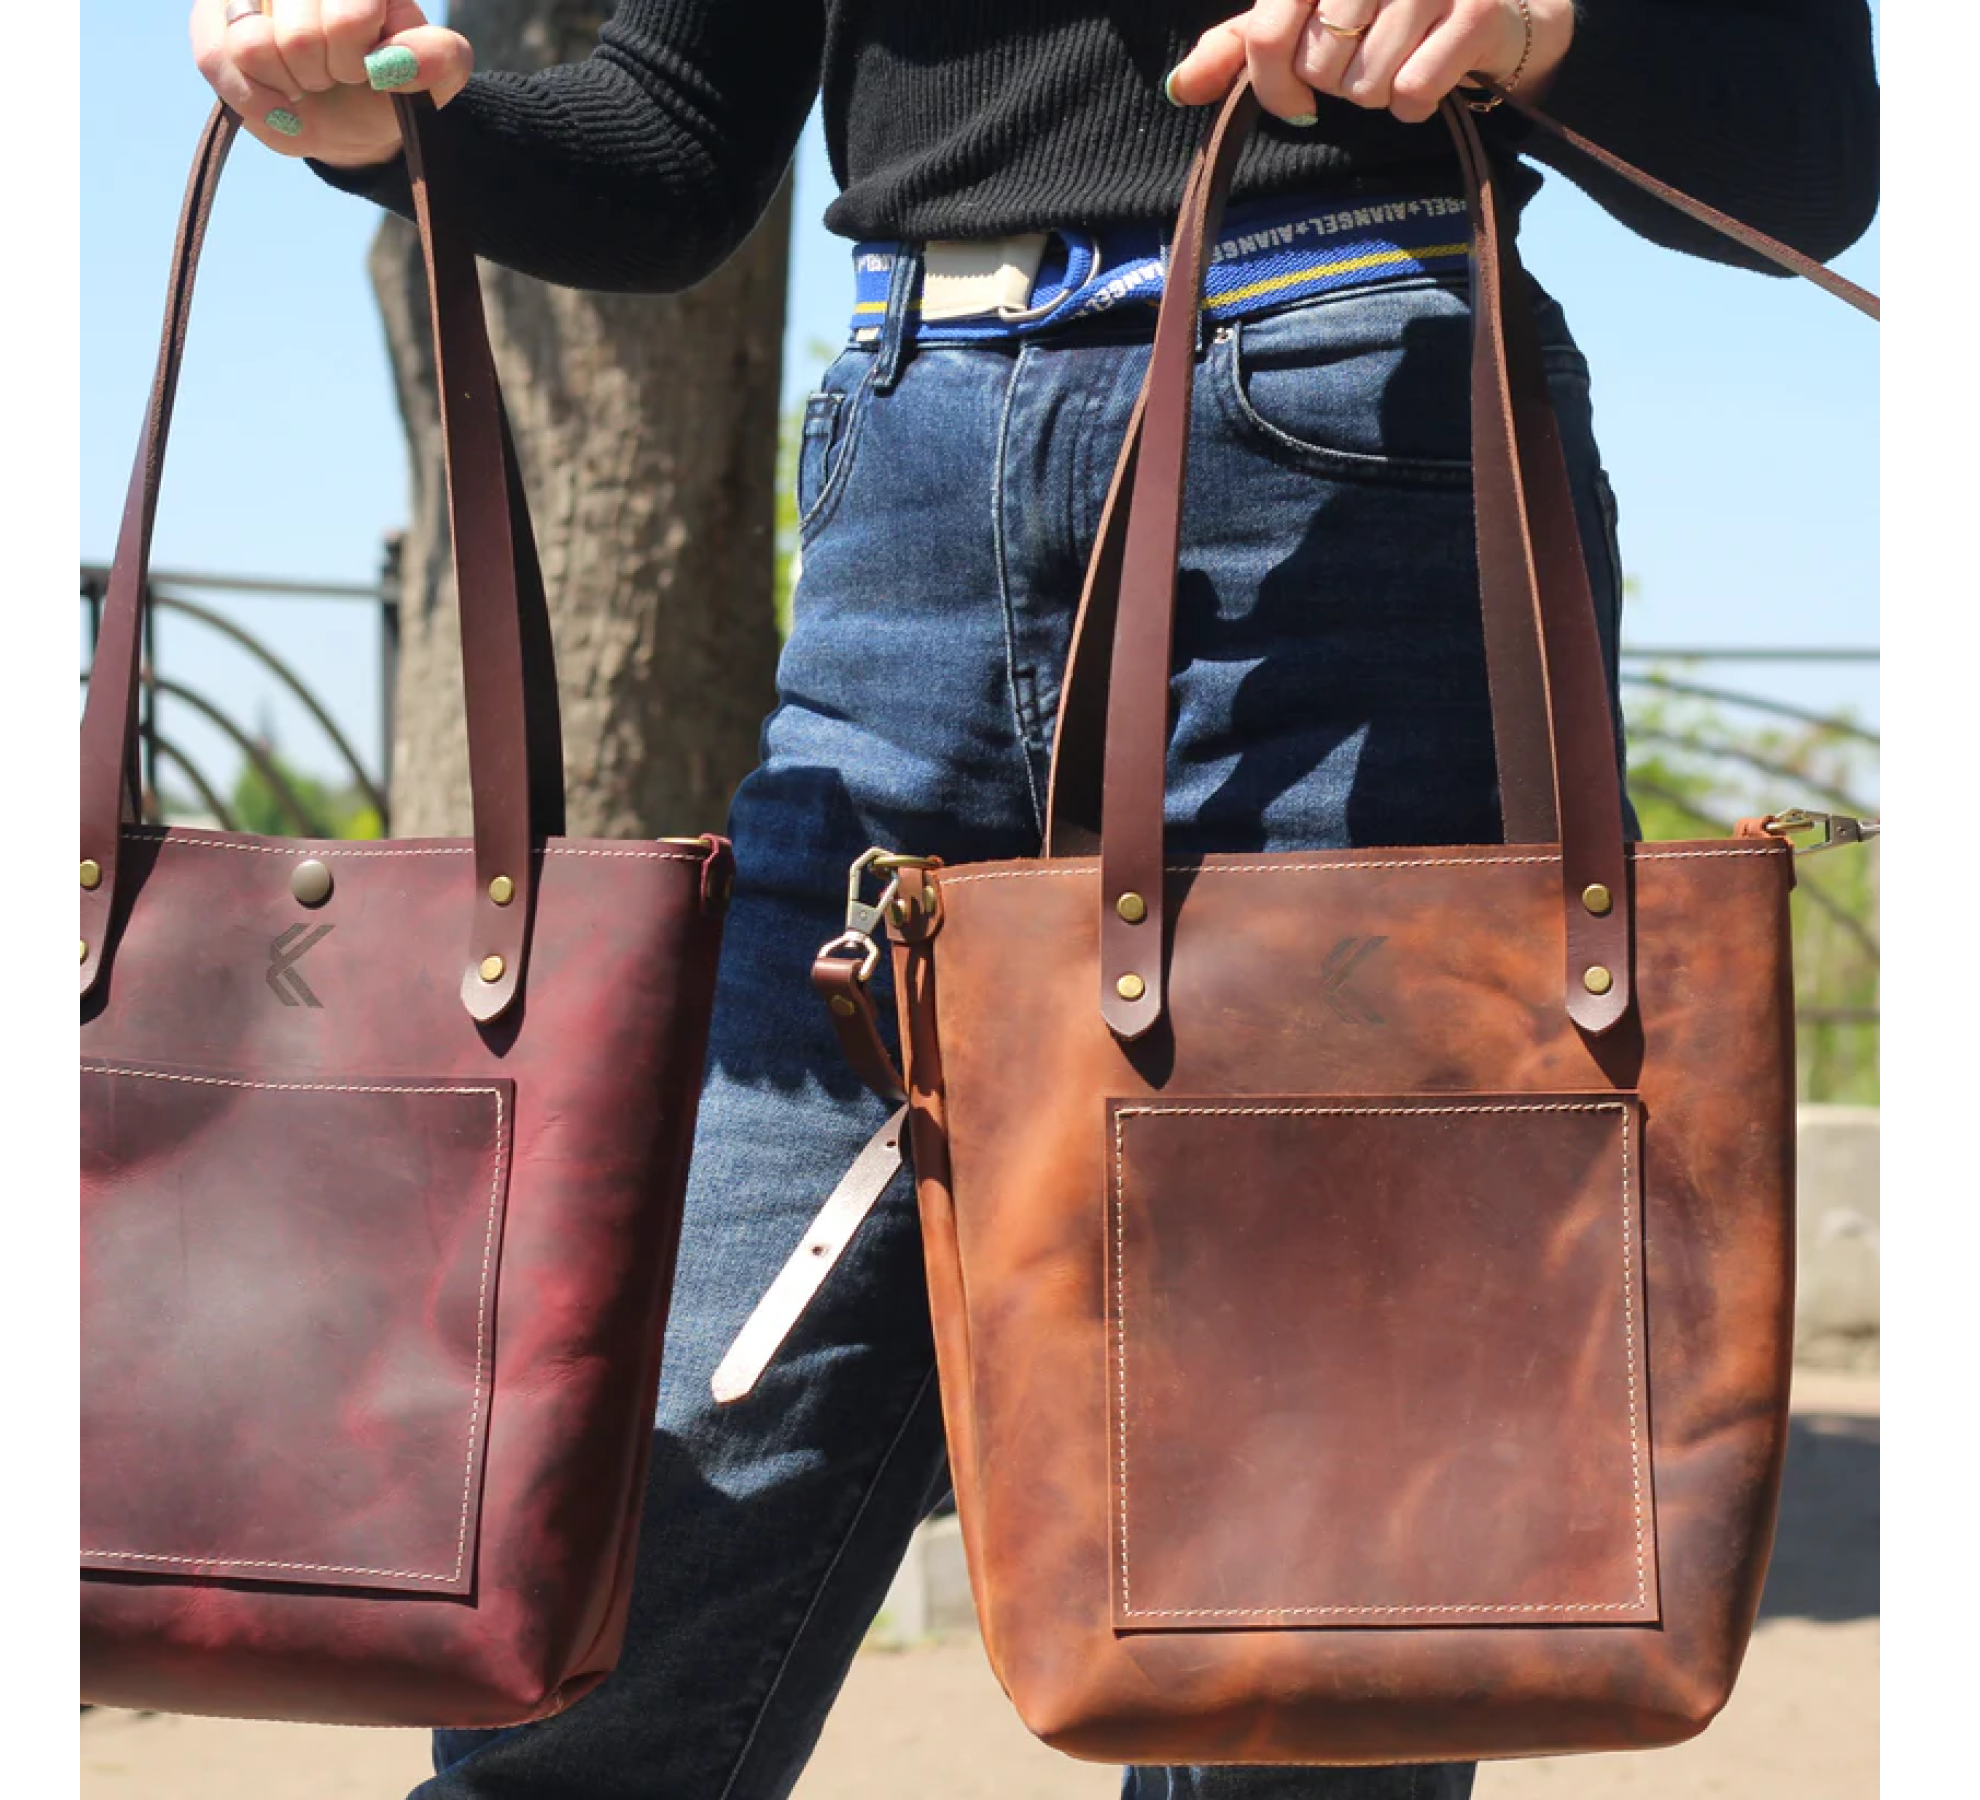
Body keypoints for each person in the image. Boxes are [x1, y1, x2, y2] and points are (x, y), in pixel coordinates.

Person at [190, 5, 1879, 1798]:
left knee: (1308, 1616)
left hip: (1352, 472)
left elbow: (1801, 146)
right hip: (905, 487)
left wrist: (1535, 27)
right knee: (640, 1532)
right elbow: (679, 137)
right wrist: (390, 127)